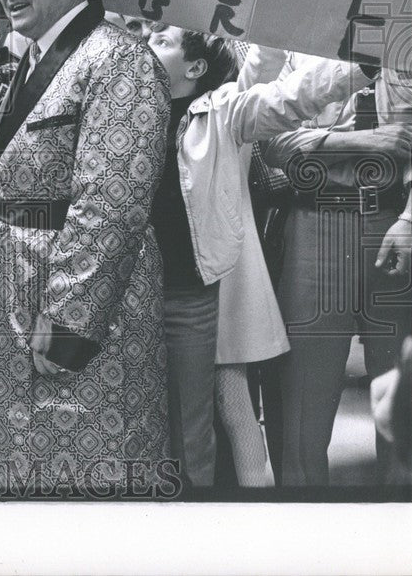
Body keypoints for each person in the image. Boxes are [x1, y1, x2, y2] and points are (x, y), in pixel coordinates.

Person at [0, 0, 171, 493]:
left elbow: (111, 204)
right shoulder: (32, 58)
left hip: (78, 305)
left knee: (90, 463)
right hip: (10, 289)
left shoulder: (119, 60)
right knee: (17, 457)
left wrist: (71, 322)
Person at [144, 25, 373, 488]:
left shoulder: (222, 111)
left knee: (212, 415)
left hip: (194, 291)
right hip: (137, 292)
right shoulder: (126, 108)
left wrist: (362, 63)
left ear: (195, 68)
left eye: (162, 42)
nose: (147, 46)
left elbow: (288, 93)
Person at [264, 62, 412, 487]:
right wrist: (361, 141)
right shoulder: (301, 47)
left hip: (395, 220)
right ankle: (308, 528)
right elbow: (271, 141)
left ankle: (403, 526)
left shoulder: (409, 41)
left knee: (409, 392)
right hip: (318, 220)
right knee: (303, 404)